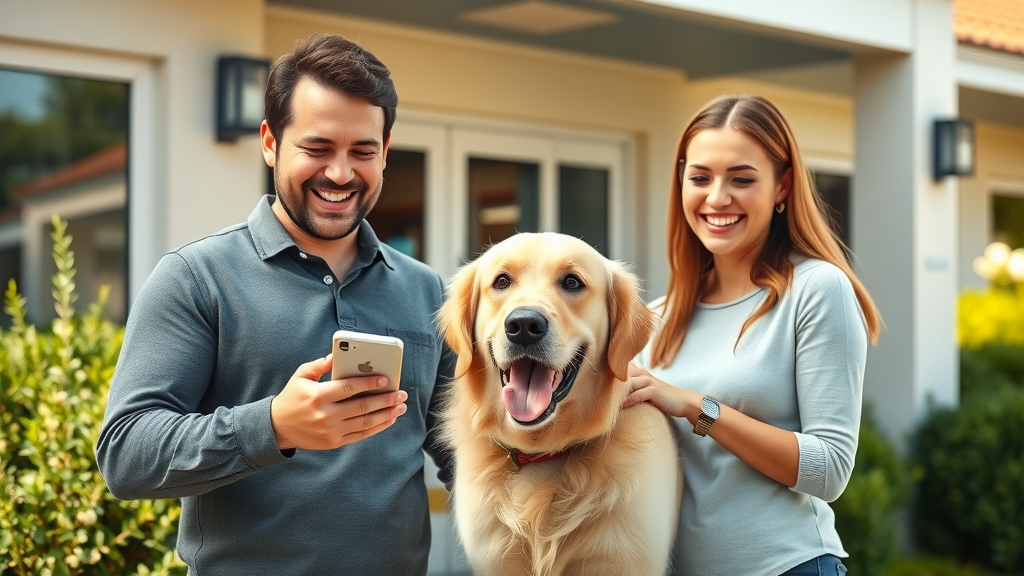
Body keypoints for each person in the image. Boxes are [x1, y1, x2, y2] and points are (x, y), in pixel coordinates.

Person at [96, 34, 453, 575]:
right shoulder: (197, 278)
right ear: (269, 142)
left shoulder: (428, 292)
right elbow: (126, 455)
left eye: (362, 151)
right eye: (317, 148)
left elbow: (472, 450)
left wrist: (604, 408)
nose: (340, 173)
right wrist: (274, 427)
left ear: (385, 151)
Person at [623, 94, 882, 576]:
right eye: (700, 177)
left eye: (741, 179)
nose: (717, 197)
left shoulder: (816, 289)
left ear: (782, 186)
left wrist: (697, 407)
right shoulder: (655, 317)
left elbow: (828, 470)